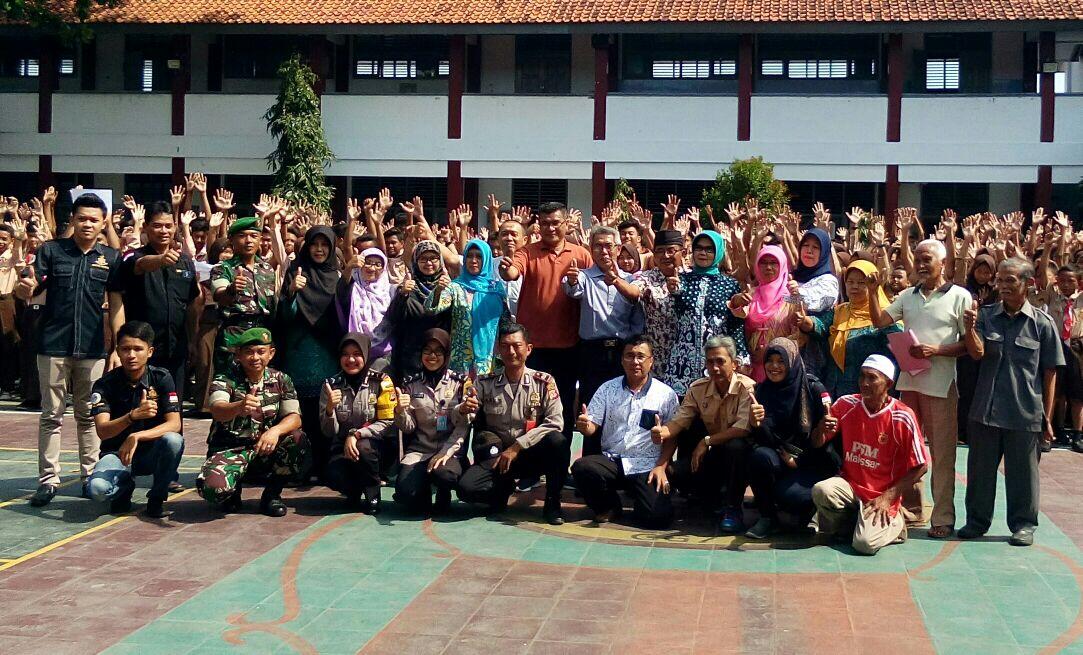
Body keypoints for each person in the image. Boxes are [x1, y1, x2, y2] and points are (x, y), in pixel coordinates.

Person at [19, 193, 126, 507]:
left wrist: (117, 346)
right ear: (73, 220)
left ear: (103, 222)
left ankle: (89, 477)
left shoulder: (111, 257)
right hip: (53, 345)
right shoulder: (52, 251)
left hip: (93, 349)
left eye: (94, 219)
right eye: (82, 219)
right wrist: (23, 287)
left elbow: (117, 305)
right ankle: (48, 481)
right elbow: (30, 286)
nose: (88, 224)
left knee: (89, 416)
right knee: (51, 416)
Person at [870, 239, 971, 539]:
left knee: (942, 455)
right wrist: (875, 289)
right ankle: (912, 510)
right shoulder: (906, 295)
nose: (921, 264)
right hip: (909, 384)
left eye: (927, 259)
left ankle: (942, 517)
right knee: (905, 451)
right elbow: (879, 321)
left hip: (941, 386)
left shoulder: (959, 296)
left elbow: (970, 345)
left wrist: (936, 350)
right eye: (917, 259)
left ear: (943, 262)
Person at [960, 258, 1063, 546]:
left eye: (1010, 281)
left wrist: (1047, 416)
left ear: (1028, 284)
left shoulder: (1042, 324)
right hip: (986, 409)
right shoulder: (986, 315)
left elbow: (1050, 372)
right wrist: (969, 329)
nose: (1003, 286)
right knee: (980, 472)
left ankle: (1023, 524)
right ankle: (977, 521)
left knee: (1023, 474)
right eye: (1000, 280)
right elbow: (977, 353)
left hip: (1024, 410)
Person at [811, 355, 929, 555]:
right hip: (851, 486)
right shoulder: (846, 404)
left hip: (881, 495)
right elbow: (816, 442)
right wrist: (821, 428)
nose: (864, 383)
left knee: (864, 545)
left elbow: (922, 465)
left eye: (872, 378)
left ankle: (897, 525)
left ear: (888, 384)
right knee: (822, 491)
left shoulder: (902, 416)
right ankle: (855, 523)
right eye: (862, 376)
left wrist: (888, 496)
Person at [457, 323, 568, 525]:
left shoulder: (544, 382)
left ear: (529, 349)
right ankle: (502, 489)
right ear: (498, 349)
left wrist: (518, 446)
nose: (511, 351)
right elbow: (467, 418)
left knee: (558, 442)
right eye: (505, 346)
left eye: (516, 346)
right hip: (498, 458)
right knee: (467, 489)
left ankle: (553, 503)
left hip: (531, 454)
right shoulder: (484, 382)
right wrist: (464, 410)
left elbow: (555, 423)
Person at [499, 202, 592, 442]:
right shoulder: (527, 252)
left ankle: (559, 468)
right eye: (544, 223)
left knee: (562, 409)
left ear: (566, 224)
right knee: (531, 409)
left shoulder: (581, 254)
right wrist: (506, 269)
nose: (550, 228)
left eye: (555, 223)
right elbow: (512, 272)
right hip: (534, 348)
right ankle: (529, 466)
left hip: (568, 346)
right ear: (538, 225)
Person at [572, 335, 679, 528]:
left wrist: (661, 466)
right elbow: (592, 426)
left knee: (657, 518)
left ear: (651, 361)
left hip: (646, 464)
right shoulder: (607, 388)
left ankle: (644, 503)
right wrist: (585, 426)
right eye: (629, 356)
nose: (635, 361)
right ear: (622, 360)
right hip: (613, 460)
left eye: (641, 356)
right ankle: (610, 507)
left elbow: (673, 436)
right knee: (582, 467)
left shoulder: (666, 395)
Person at [651, 335, 755, 533]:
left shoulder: (747, 387)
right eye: (710, 362)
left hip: (740, 456)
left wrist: (706, 441)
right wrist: (662, 432)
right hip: (713, 451)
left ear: (734, 364)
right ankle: (701, 496)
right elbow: (680, 421)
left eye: (720, 361)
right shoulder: (698, 388)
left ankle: (733, 509)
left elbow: (742, 428)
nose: (714, 367)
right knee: (677, 471)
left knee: (737, 447)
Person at [199, 328, 307, 517]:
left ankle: (272, 495)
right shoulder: (226, 379)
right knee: (213, 490)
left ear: (271, 353)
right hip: (231, 449)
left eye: (260, 351)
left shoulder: (282, 380)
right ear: (238, 355)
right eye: (249, 352)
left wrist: (275, 431)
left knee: (297, 439)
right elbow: (217, 409)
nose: (255, 357)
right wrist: (238, 407)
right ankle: (232, 492)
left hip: (264, 448)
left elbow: (294, 417)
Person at [744, 338, 840, 539]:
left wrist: (800, 461)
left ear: (793, 361)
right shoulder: (762, 391)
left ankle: (810, 511)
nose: (774, 366)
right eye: (770, 360)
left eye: (781, 361)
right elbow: (763, 441)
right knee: (758, 456)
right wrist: (755, 423)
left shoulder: (813, 389)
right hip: (781, 457)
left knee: (794, 498)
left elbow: (829, 445)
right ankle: (767, 517)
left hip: (812, 461)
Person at [87, 321, 184, 518]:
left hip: (150, 453)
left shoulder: (161, 378)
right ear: (118, 351)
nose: (131, 355)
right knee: (97, 490)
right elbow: (103, 430)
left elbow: (175, 423)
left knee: (174, 441)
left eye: (138, 349)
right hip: (117, 453)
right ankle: (124, 487)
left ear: (150, 352)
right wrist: (132, 417)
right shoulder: (105, 384)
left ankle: (157, 497)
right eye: (125, 349)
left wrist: (137, 436)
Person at [564, 226, 644, 453]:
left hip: (622, 352)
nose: (604, 251)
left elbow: (637, 319)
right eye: (597, 246)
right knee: (591, 408)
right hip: (592, 352)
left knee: (623, 406)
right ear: (591, 249)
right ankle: (590, 463)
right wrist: (570, 281)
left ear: (618, 249)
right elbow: (573, 289)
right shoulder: (583, 276)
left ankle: (621, 461)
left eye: (608, 245)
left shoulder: (631, 279)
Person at [276, 226, 342, 479]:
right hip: (299, 352)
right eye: (315, 244)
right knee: (299, 410)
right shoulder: (296, 272)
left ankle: (325, 465)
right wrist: (292, 292)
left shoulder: (336, 276)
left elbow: (344, 314)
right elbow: (283, 316)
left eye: (325, 245)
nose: (319, 249)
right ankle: (301, 465)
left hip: (328, 353)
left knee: (325, 409)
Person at [119, 201, 200, 405]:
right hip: (143, 349)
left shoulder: (185, 262)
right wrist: (161, 259)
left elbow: (191, 303)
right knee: (144, 405)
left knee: (173, 405)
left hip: (176, 347)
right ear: (146, 227)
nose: (163, 230)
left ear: (175, 227)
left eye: (168, 225)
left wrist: (192, 340)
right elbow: (139, 265)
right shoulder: (134, 255)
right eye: (157, 225)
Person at [393, 328, 470, 514]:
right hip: (420, 451)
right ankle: (422, 490)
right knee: (405, 493)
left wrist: (444, 453)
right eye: (427, 350)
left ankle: (444, 491)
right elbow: (408, 427)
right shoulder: (410, 384)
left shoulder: (460, 383)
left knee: (445, 475)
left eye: (438, 351)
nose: (432, 356)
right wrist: (400, 411)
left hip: (450, 451)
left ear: (446, 354)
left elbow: (463, 427)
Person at [321, 333, 398, 514]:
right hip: (345, 450)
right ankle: (353, 492)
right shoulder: (331, 385)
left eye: (356, 354)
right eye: (345, 354)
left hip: (377, 447)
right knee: (331, 473)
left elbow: (387, 422)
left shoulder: (382, 381)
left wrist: (356, 434)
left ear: (366, 355)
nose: (351, 359)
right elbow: (328, 431)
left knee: (364, 448)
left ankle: (373, 493)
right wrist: (330, 409)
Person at [668, 231, 749, 395]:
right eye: (698, 248)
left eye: (709, 249)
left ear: (718, 252)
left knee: (714, 412)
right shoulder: (682, 279)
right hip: (683, 361)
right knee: (683, 412)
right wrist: (673, 292)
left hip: (715, 361)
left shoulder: (729, 284)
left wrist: (741, 356)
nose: (703, 253)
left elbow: (735, 325)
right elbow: (674, 313)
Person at [810, 260, 900, 398]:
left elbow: (899, 347)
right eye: (850, 282)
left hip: (868, 390)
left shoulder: (885, 315)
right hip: (837, 387)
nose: (854, 287)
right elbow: (821, 325)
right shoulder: (840, 311)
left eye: (861, 283)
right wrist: (807, 322)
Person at [425, 239, 508, 376]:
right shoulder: (455, 287)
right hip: (462, 357)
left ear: (487, 259)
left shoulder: (496, 288)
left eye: (479, 256)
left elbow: (504, 320)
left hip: (490, 354)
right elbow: (432, 308)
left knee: (488, 394)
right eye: (469, 256)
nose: (473, 260)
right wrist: (439, 289)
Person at [210, 217, 278, 372]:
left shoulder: (267, 269)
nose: (248, 240)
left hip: (262, 338)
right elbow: (220, 296)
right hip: (234, 339)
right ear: (232, 240)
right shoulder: (223, 268)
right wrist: (232, 289)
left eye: (254, 236)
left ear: (260, 239)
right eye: (242, 236)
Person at [384, 241, 452, 383]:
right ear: (416, 262)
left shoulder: (449, 288)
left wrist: (441, 291)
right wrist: (403, 295)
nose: (429, 263)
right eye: (423, 259)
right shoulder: (409, 287)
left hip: (439, 353)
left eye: (433, 258)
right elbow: (394, 317)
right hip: (411, 356)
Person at [736, 245, 799, 383]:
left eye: (773, 263)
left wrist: (773, 351)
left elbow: (799, 330)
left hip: (781, 366)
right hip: (754, 367)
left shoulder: (790, 296)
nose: (768, 267)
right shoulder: (752, 295)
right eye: (763, 263)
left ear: (782, 265)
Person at [956, 254, 1000, 442]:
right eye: (979, 271)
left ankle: (979, 431)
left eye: (987, 272)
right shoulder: (965, 290)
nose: (982, 276)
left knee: (982, 389)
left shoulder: (996, 293)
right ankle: (962, 430)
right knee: (965, 389)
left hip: (988, 344)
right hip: (967, 345)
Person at [790, 228, 840, 375]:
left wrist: (796, 293)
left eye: (815, 247)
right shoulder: (793, 276)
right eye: (805, 245)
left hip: (813, 354)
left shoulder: (828, 281)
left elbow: (818, 302)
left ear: (824, 252)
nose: (809, 251)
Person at [341, 247, 393, 360]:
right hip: (354, 353)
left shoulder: (391, 291)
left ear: (384, 268)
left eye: (378, 264)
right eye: (367, 263)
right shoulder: (352, 288)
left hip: (385, 353)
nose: (372, 268)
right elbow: (341, 292)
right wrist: (349, 267)